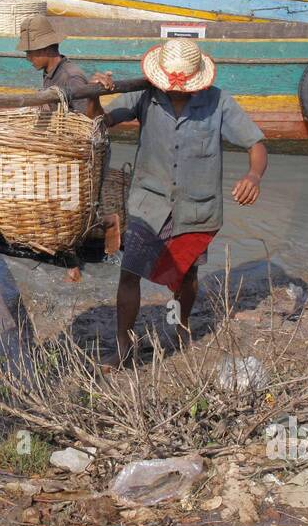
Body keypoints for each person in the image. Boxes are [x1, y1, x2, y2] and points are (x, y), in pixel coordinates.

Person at [91, 39, 267, 366]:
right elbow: (102, 121)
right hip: (148, 203)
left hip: (196, 208)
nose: (177, 92)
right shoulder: (144, 94)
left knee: (186, 274)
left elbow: (255, 143)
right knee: (129, 273)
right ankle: (124, 347)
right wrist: (94, 94)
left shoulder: (218, 103)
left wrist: (253, 176)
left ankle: (182, 328)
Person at [16, 14, 105, 119]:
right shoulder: (49, 71)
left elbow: (89, 120)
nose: (28, 57)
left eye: (30, 52)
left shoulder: (71, 78)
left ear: (46, 48)